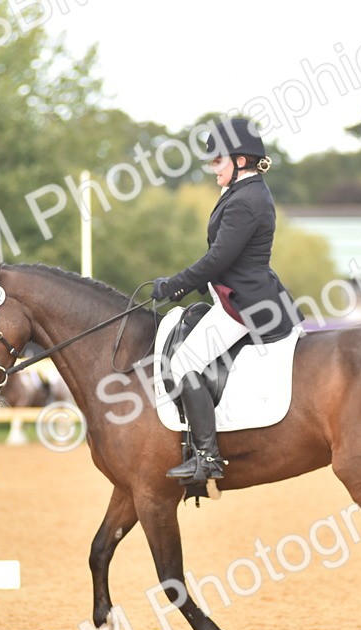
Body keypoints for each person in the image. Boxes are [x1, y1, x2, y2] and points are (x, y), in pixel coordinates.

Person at [151, 117, 298, 485]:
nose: (212, 167)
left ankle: (207, 458)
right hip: (238, 294)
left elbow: (219, 258)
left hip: (245, 305)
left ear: (241, 161)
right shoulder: (242, 192)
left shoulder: (245, 200)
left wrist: (175, 285)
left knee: (183, 363)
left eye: (218, 160)